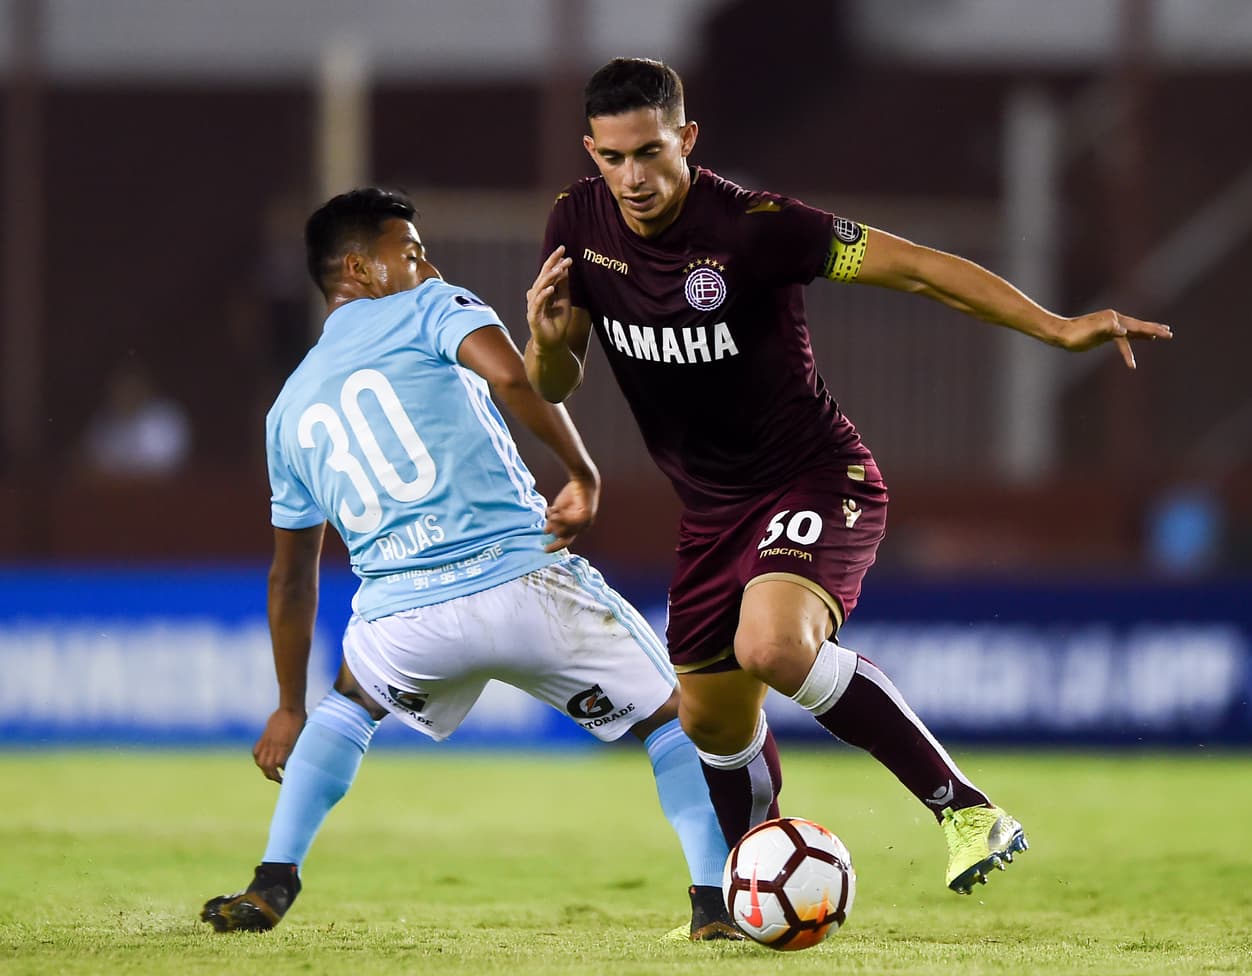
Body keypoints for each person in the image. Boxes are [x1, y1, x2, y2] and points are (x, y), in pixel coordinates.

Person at [524, 57, 1173, 895]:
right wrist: (543, 342)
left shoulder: (755, 227)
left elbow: (916, 266)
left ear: (685, 138)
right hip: (711, 513)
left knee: (772, 645)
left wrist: (1055, 328)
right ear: (590, 151)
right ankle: (741, 893)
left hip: (816, 479)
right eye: (612, 158)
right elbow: (554, 382)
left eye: (648, 152)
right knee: (711, 724)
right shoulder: (576, 222)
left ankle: (968, 810)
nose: (632, 177)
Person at [200, 187, 740, 941]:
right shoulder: (431, 306)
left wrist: (288, 705)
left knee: (349, 703)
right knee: (677, 720)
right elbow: (516, 376)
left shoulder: (286, 411)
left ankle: (273, 878)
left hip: (402, 618)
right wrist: (582, 474)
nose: (427, 261)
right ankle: (713, 904)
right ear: (359, 267)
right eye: (410, 249)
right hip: (521, 578)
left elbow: (291, 577)